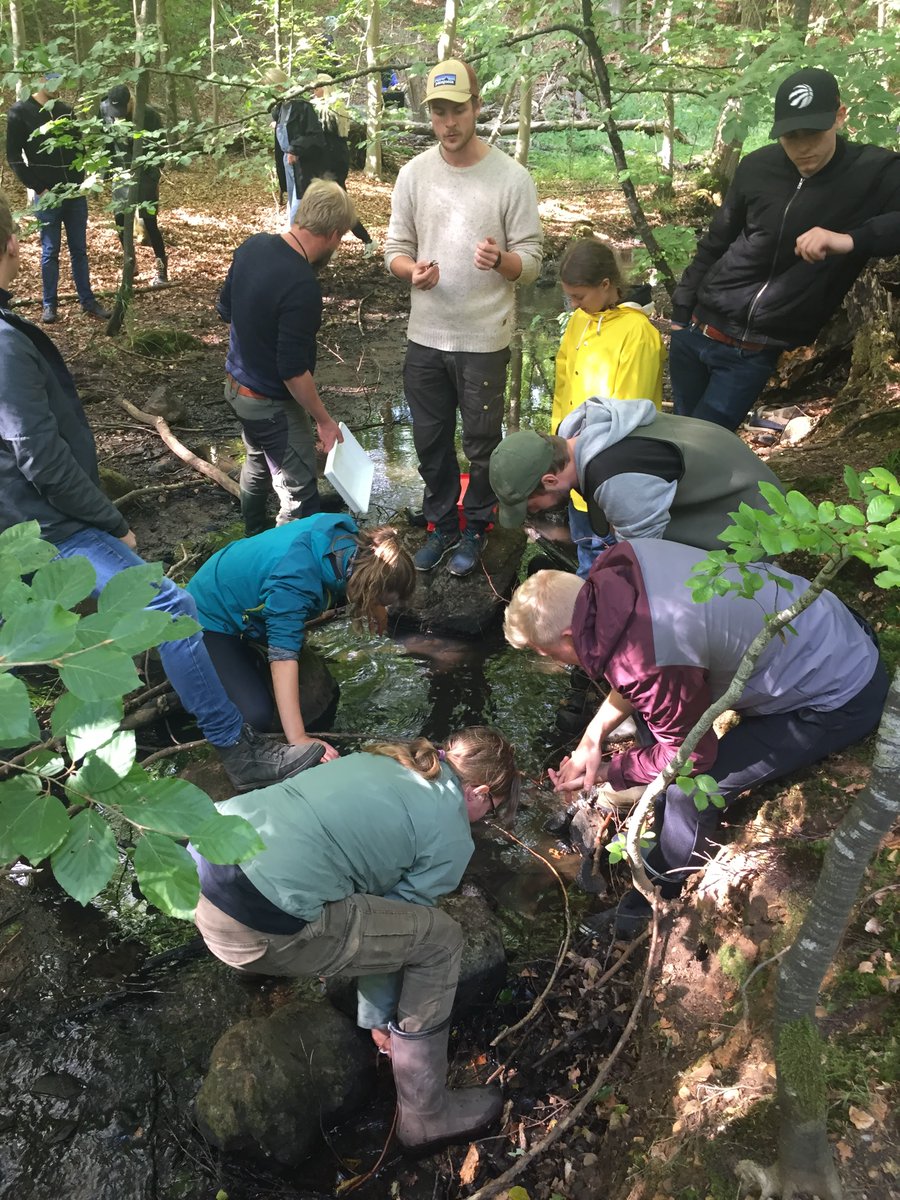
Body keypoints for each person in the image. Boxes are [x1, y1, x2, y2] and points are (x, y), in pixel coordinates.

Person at [0, 190, 322, 793]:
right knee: (171, 607)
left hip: (29, 519)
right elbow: (38, 454)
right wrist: (107, 518)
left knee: (92, 626)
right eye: (11, 237)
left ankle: (72, 757)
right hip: (44, 524)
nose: (20, 244)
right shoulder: (4, 344)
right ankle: (238, 752)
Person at [504, 541, 888, 934]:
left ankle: (656, 892)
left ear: (569, 635)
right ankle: (629, 804)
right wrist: (593, 734)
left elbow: (690, 757)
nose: (550, 660)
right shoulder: (619, 567)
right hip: (828, 625)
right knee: (659, 743)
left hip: (839, 692)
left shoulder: (647, 659)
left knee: (693, 787)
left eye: (546, 652)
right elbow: (642, 662)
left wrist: (609, 769)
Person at [190, 726, 520, 1152]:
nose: (485, 819)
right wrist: (377, 1018)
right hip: (254, 927)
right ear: (478, 791)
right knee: (440, 938)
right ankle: (426, 1115)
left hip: (199, 873)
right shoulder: (452, 832)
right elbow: (402, 926)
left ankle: (267, 970)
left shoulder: (384, 760)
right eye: (491, 809)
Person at [669, 66, 900, 431]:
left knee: (702, 442)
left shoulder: (873, 171)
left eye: (813, 133)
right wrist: (681, 312)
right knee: (681, 434)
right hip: (696, 330)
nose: (803, 147)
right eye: (791, 136)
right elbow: (717, 240)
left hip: (752, 353)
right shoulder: (757, 167)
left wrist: (850, 240)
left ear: (840, 116)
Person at [384, 58, 543, 577]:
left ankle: (476, 528)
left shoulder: (511, 178)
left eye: (457, 110)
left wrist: (502, 262)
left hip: (484, 338)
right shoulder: (414, 174)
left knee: (481, 445)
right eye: (438, 112)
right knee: (430, 441)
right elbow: (394, 250)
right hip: (426, 335)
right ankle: (441, 528)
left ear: (476, 107)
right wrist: (412, 272)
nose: (448, 123)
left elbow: (533, 262)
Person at [186, 516, 416, 759]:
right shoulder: (295, 582)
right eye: (382, 601)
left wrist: (375, 605)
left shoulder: (349, 543)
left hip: (244, 599)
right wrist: (299, 738)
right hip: (206, 614)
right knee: (255, 716)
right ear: (368, 586)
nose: (384, 608)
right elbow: (282, 657)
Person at [217, 179, 352, 536]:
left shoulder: (253, 246)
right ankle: (282, 566)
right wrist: (323, 420)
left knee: (258, 463)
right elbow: (292, 371)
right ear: (334, 234)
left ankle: (252, 534)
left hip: (236, 387)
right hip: (268, 403)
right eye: (340, 239)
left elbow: (225, 308)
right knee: (299, 494)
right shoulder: (302, 284)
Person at [489, 399, 782, 552]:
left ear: (550, 481)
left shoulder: (617, 480)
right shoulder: (578, 430)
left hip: (756, 517)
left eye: (531, 506)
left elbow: (645, 559)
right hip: (728, 478)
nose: (533, 514)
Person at [552, 238, 666, 577]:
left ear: (606, 285)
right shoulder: (578, 323)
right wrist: (558, 444)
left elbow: (630, 414)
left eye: (579, 297)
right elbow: (563, 385)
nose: (573, 305)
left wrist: (590, 463)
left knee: (613, 560)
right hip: (574, 466)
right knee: (585, 546)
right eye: (569, 296)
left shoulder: (638, 333)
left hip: (611, 475)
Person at [5, 71, 110, 324]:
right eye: (53, 82)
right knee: (50, 251)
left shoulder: (66, 110)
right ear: (40, 80)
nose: (58, 88)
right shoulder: (20, 112)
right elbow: (14, 156)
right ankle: (49, 304)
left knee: (79, 250)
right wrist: (38, 188)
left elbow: (78, 148)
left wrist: (82, 180)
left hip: (74, 194)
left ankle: (87, 300)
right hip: (47, 196)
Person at [99, 83, 169, 287]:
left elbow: (160, 148)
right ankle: (131, 263)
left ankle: (162, 269)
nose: (118, 115)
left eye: (122, 109)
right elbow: (107, 141)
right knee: (120, 219)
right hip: (121, 171)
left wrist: (151, 175)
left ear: (131, 102)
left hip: (145, 173)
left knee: (149, 222)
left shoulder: (148, 115)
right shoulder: (105, 109)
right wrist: (106, 171)